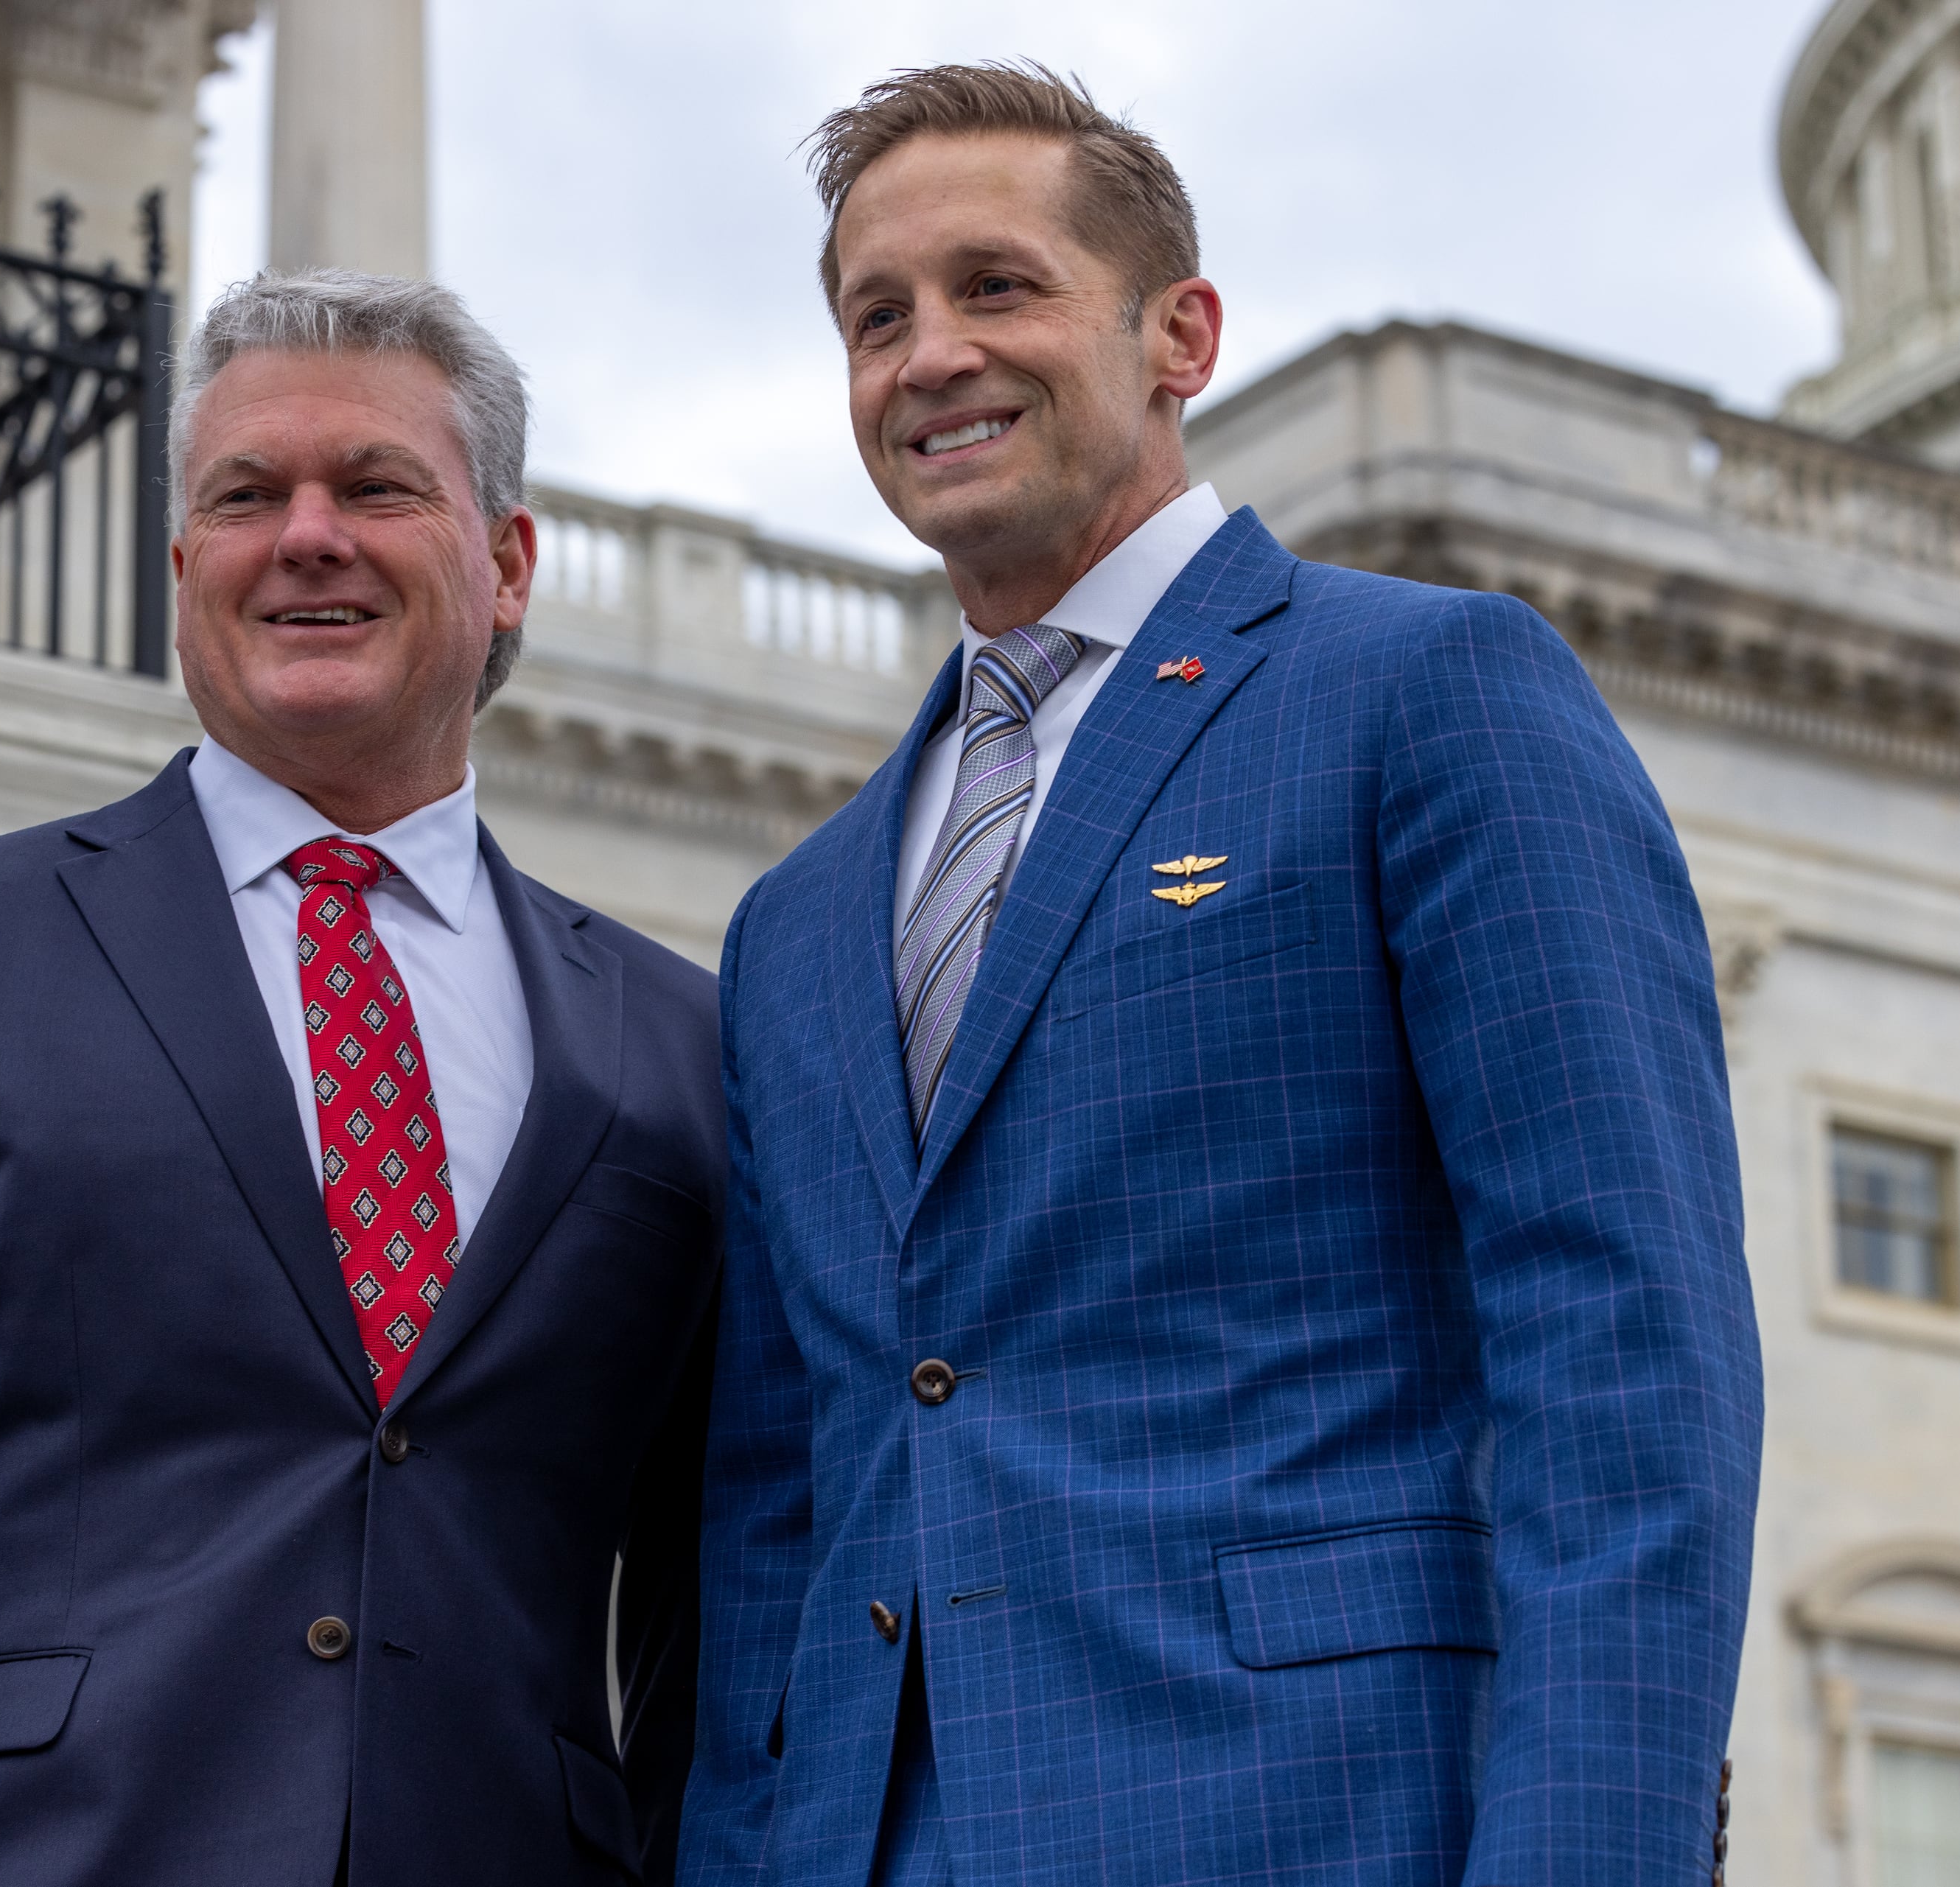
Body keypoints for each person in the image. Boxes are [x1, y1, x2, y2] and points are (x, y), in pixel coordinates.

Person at [685, 63, 1762, 1887]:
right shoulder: (794, 915)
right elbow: (777, 1505)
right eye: (879, 316)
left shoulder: (1425, 692)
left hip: (1319, 1822)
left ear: (1178, 332)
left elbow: (1627, 1353)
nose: (930, 352)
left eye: (996, 287)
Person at [0, 270, 720, 1887]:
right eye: (244, 497)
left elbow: (723, 1597)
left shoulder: (676, 1037)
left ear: (505, 565)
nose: (306, 535)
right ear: (180, 570)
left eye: (373, 486)